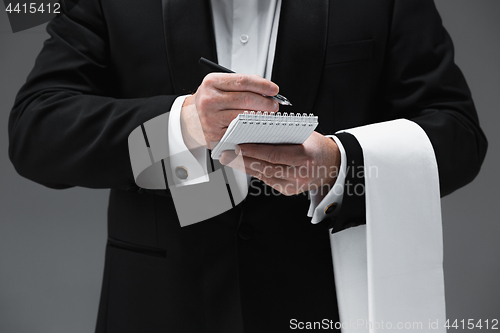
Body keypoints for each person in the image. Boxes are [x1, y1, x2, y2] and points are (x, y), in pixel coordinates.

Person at [8, 0, 487, 332]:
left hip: (328, 305)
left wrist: (339, 165)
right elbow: (36, 133)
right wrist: (184, 125)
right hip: (158, 308)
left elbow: (459, 135)